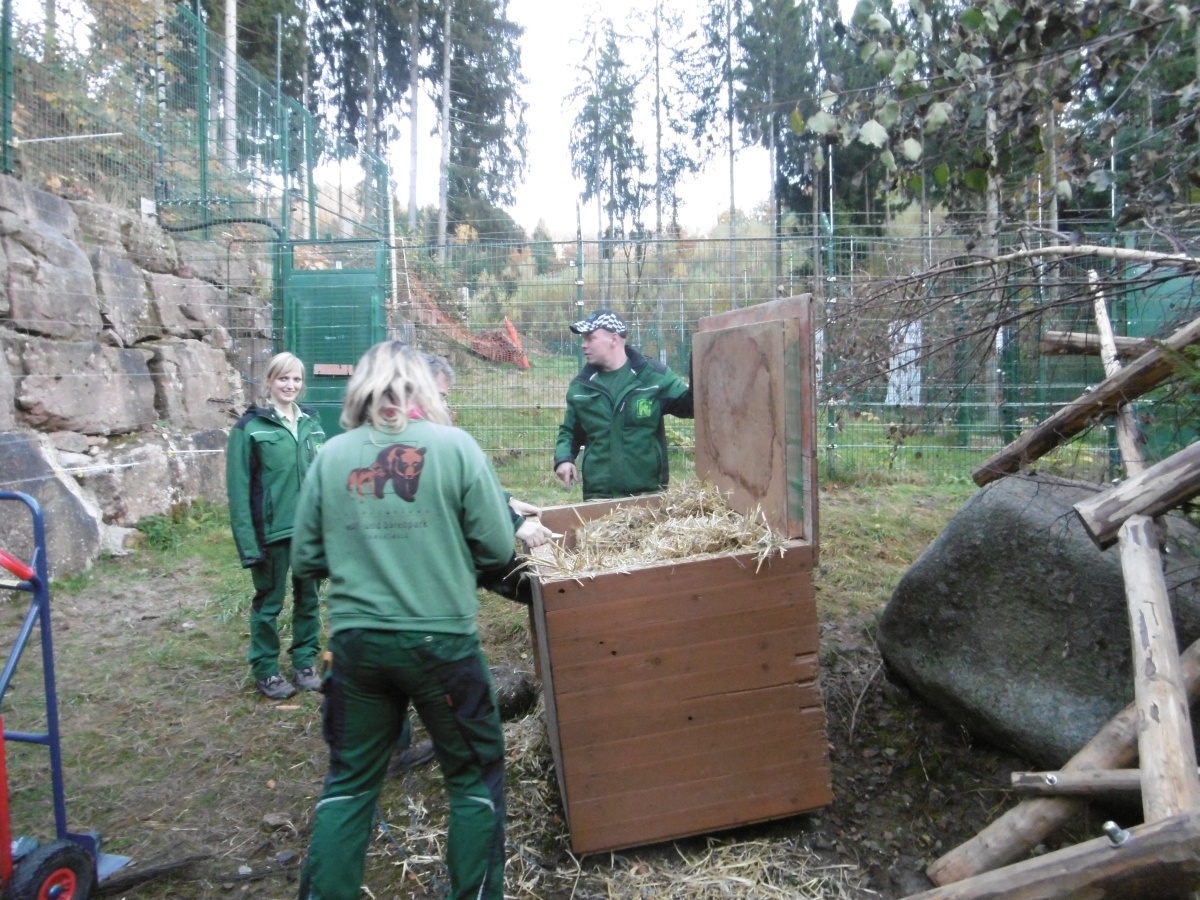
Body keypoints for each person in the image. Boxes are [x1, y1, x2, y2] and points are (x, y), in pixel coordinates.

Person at [291, 341, 516, 900]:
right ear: (420, 383)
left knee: (348, 784)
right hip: (443, 645)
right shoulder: (457, 448)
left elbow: (305, 560)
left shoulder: (332, 455)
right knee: (472, 781)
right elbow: (497, 545)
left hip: (357, 647)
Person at [226, 351, 326, 700]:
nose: (290, 385)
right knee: (269, 602)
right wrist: (248, 544)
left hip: (309, 531)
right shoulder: (249, 428)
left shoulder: (312, 423)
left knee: (309, 598)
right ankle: (266, 669)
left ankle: (304, 662)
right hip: (271, 534)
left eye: (296, 379)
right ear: (268, 381)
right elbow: (238, 493)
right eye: (283, 378)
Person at [554, 308, 694, 500]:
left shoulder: (653, 376)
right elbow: (569, 431)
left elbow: (691, 407)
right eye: (583, 339)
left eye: (590, 338)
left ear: (614, 339)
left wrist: (700, 365)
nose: (583, 345)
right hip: (598, 496)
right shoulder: (581, 387)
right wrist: (564, 459)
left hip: (648, 496)